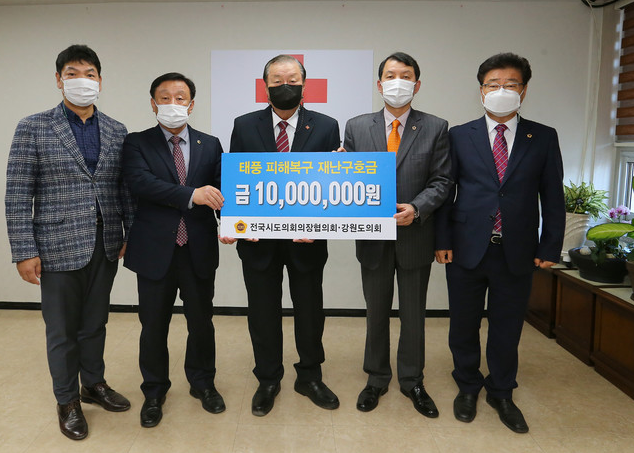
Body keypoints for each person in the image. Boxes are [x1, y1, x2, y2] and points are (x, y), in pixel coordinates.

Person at [5, 44, 133, 440]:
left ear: (100, 81)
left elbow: (123, 188)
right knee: (62, 329)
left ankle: (93, 384)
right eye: (73, 73)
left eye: (89, 74)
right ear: (59, 80)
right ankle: (67, 400)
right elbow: (18, 192)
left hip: (105, 242)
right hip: (56, 245)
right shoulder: (33, 127)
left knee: (95, 322)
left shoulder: (116, 130)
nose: (82, 80)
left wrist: (128, 232)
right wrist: (24, 250)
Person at [434, 53, 564, 433]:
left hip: (518, 249)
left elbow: (552, 197)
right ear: (481, 91)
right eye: (493, 84)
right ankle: (467, 385)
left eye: (510, 84)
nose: (501, 90)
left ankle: (502, 391)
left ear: (524, 90)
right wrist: (442, 239)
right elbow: (445, 191)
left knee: (507, 328)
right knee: (463, 325)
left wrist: (549, 246)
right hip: (466, 247)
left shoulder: (543, 136)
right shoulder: (459, 135)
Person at [224, 55, 341, 416]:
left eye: (292, 79)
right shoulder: (244, 125)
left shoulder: (326, 126)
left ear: (304, 85)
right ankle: (268, 378)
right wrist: (238, 223)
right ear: (266, 86)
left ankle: (310, 376)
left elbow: (330, 185)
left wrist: (320, 223)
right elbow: (237, 179)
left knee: (310, 311)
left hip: (307, 241)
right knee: (262, 312)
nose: (285, 85)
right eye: (277, 80)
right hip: (258, 242)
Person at [343, 52, 451, 418]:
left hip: (415, 236)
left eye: (406, 76)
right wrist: (337, 168)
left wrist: (416, 209)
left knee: (413, 315)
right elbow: (348, 180)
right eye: (391, 75)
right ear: (379, 84)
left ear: (417, 85)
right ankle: (376, 378)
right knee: (375, 312)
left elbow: (442, 181)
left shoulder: (436, 127)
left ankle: (412, 380)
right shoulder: (357, 126)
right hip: (372, 238)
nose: (398, 82)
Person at [122, 73, 226, 428]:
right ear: (153, 104)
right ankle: (154, 391)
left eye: (180, 97)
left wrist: (235, 224)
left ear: (191, 105)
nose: (172, 104)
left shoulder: (210, 144)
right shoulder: (137, 142)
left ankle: (203, 383)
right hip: (154, 250)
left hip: (198, 248)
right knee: (153, 325)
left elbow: (223, 189)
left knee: (201, 323)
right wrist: (191, 194)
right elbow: (141, 183)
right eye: (164, 97)